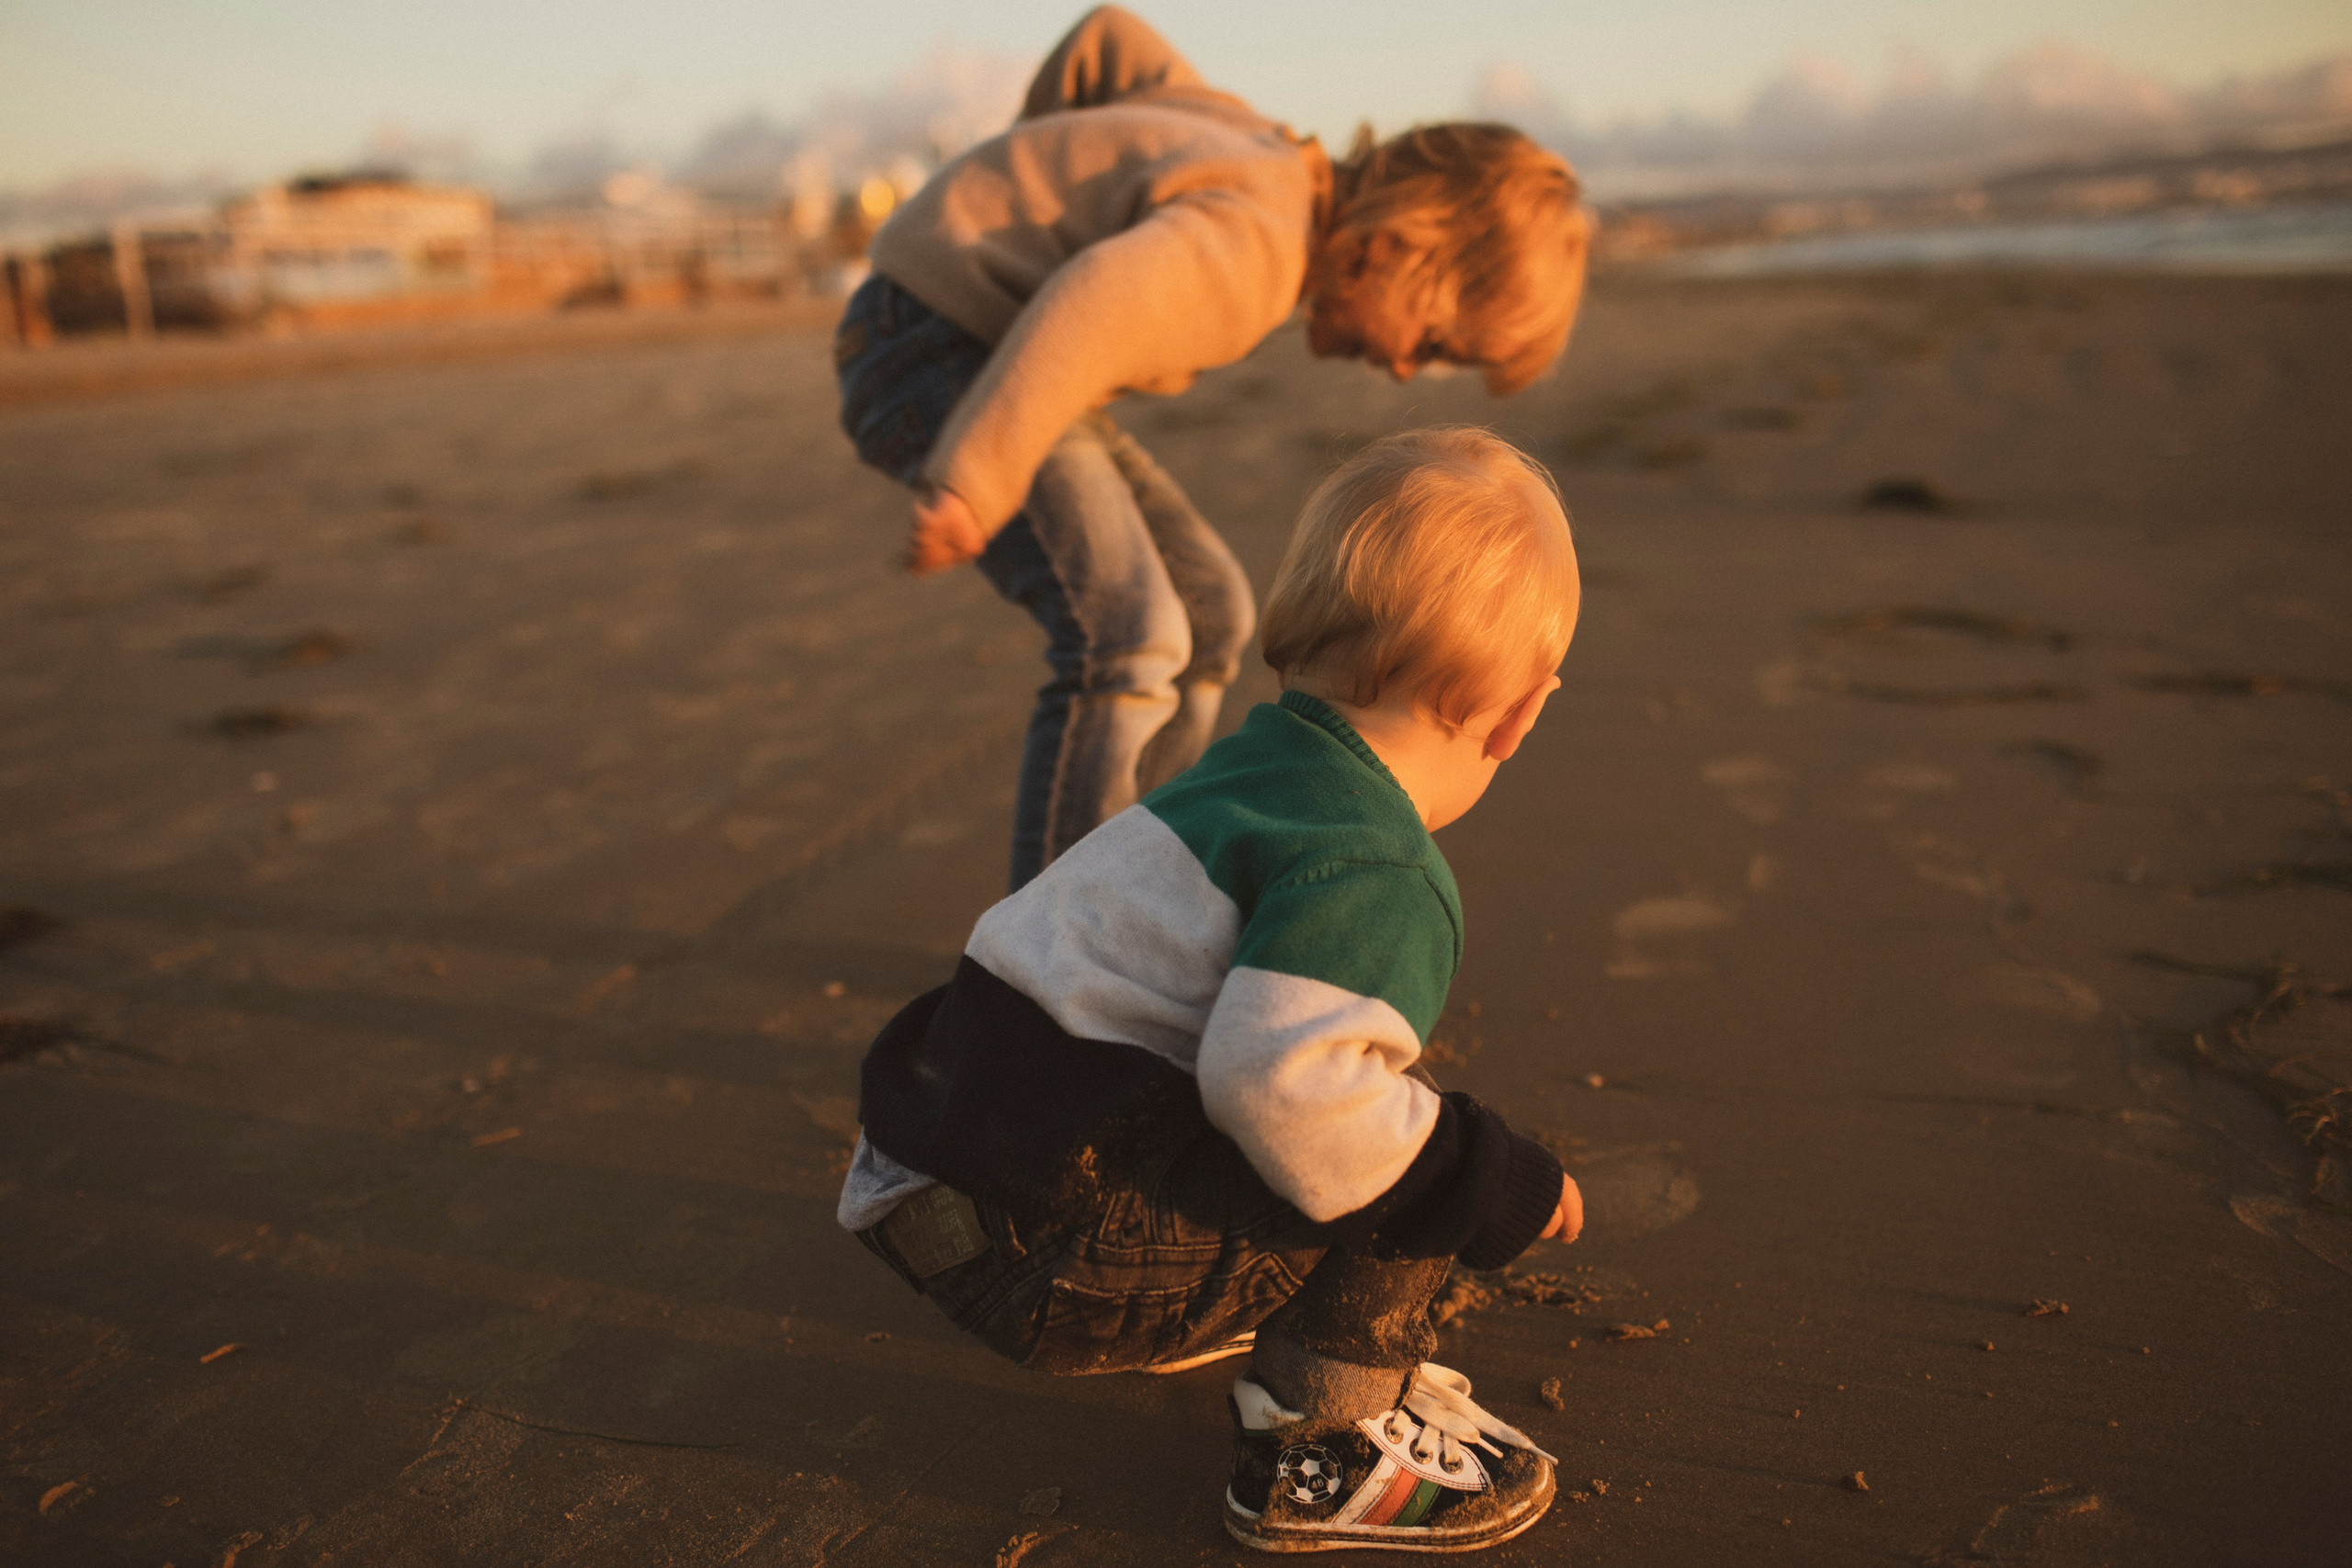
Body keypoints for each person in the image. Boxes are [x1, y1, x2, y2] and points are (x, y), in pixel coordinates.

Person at [841, 427, 1586, 1553]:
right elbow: (1286, 1091)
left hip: (917, 1172)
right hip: (1039, 1246)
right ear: (1521, 714)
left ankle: (1206, 1296)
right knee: (1419, 1154)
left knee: (1339, 1082)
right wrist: (1496, 1181)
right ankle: (1321, 1448)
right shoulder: (1375, 868)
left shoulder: (1245, 772)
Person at [835, 5, 1589, 890]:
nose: (1399, 370)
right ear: (1400, 243)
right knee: (1126, 634)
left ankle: (1147, 865)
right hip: (940, 350)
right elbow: (1092, 300)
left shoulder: (1252, 142)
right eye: (1427, 344)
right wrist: (976, 477)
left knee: (1211, 611)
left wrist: (1043, 169)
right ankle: (1059, 942)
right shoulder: (1257, 250)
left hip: (993, 351)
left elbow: (1105, 41)